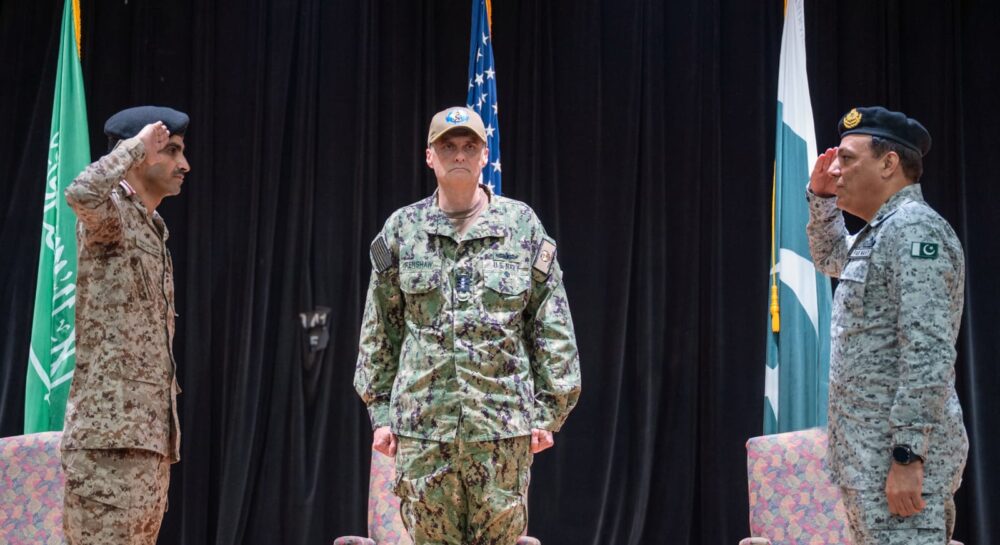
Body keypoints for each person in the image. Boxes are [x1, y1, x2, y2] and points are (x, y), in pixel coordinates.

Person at [354, 106, 582, 545]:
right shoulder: (402, 230)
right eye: (448, 146)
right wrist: (379, 413)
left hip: (501, 431)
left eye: (469, 146)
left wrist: (549, 412)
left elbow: (551, 324)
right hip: (423, 432)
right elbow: (380, 328)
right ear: (429, 156)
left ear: (484, 155)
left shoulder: (521, 226)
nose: (459, 154)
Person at [806, 106, 967, 544]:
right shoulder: (880, 231)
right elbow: (832, 260)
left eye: (848, 158)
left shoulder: (915, 232)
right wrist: (821, 203)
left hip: (897, 465)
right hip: (868, 460)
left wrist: (907, 455)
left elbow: (928, 351)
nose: (836, 170)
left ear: (889, 163)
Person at [62, 106, 190, 545]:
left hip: (146, 441)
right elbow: (80, 192)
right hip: (106, 446)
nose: (184, 165)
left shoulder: (153, 227)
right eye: (171, 151)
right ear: (138, 156)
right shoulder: (112, 216)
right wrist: (133, 146)